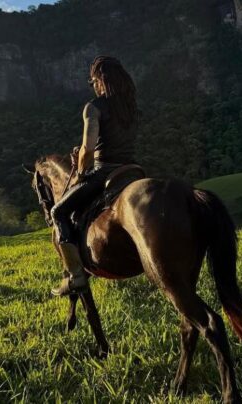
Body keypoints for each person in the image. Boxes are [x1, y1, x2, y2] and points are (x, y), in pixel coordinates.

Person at [50, 55, 139, 296]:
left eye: (93, 82)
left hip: (105, 171)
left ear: (99, 80)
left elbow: (88, 149)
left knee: (57, 211)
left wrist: (80, 170)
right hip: (132, 170)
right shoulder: (130, 106)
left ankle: (76, 276)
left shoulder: (94, 107)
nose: (94, 86)